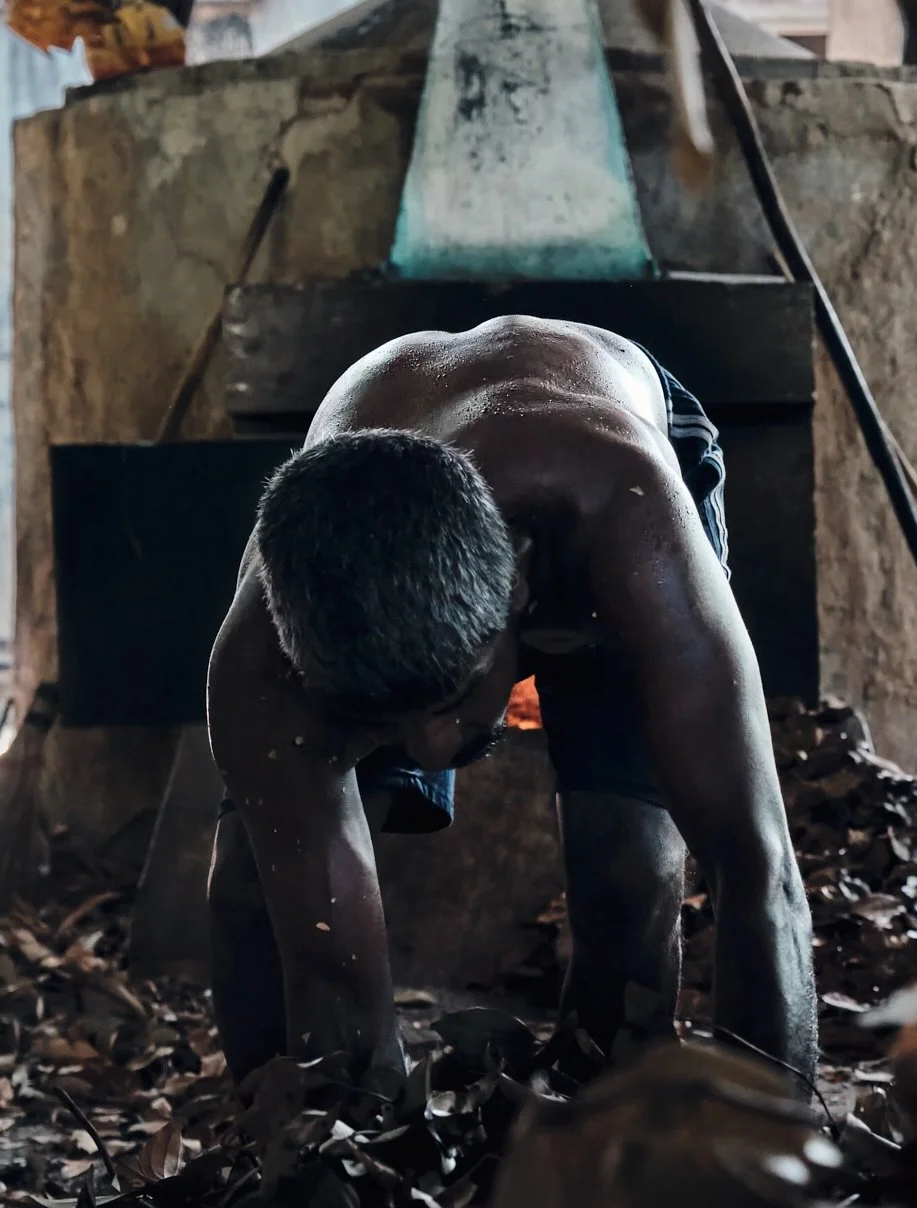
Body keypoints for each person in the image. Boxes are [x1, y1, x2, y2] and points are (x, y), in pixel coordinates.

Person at [206, 315, 817, 1086]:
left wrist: (778, 1156)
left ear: (521, 592)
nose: (432, 751)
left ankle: (606, 1112)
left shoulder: (627, 514)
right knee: (249, 889)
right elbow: (327, 972)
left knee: (625, 864)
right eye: (385, 724)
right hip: (383, 483)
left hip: (603, 437)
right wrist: (327, 1150)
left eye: (454, 698)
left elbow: (759, 873)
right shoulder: (261, 650)